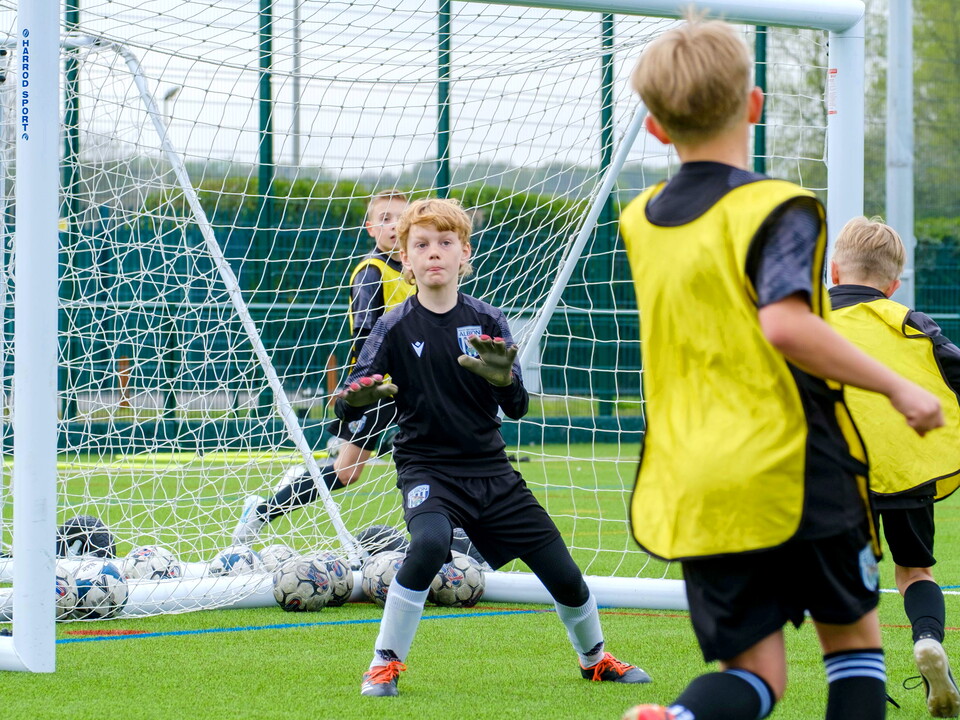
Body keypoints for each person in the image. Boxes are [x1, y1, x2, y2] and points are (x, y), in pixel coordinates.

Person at [616, 17, 944, 720]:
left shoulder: (639, 218)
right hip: (792, 464)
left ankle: (684, 718)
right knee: (854, 645)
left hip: (695, 477)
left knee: (758, 671)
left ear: (656, 130)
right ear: (754, 104)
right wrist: (897, 384)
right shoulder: (779, 208)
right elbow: (785, 324)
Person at [338, 197, 650, 697]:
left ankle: (594, 659)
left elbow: (520, 406)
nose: (433, 253)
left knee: (565, 575)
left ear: (465, 253)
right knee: (431, 545)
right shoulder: (393, 326)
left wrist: (502, 378)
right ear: (406, 257)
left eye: (445, 243)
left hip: (492, 472)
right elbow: (348, 404)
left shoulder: (487, 320)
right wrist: (361, 397)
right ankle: (383, 664)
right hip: (427, 470)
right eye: (422, 244)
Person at [829, 216, 960, 718]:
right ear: (893, 284)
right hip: (907, 469)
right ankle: (927, 640)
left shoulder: (809, 320)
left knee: (847, 579)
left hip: (835, 478)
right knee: (915, 571)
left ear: (834, 271)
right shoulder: (910, 321)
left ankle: (865, 679)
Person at [232, 190, 414, 546]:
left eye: (401, 218)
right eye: (385, 218)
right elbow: (366, 338)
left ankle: (451, 538)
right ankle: (262, 511)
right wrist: (375, 383)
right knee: (347, 473)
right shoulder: (370, 272)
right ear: (370, 228)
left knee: (434, 456)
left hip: (414, 390)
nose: (394, 225)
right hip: (376, 391)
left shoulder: (416, 272)